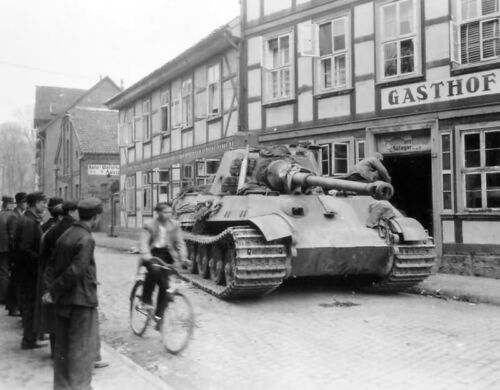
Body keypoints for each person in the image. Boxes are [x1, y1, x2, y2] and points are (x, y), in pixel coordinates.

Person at [43, 197, 102, 390]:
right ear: (96, 217)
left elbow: (50, 267)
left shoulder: (65, 235)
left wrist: (51, 290)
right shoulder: (86, 238)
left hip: (64, 302)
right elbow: (76, 270)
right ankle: (80, 387)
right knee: (82, 351)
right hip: (81, 302)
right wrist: (54, 291)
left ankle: (61, 387)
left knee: (63, 349)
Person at [138, 202, 187, 326]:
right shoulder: (149, 225)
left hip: (167, 254)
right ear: (158, 213)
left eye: (170, 212)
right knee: (154, 270)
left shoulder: (175, 225)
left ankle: (159, 317)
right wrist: (146, 256)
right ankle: (146, 300)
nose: (168, 215)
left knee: (165, 287)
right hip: (152, 253)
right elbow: (143, 242)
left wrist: (183, 257)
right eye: (165, 212)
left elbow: (180, 242)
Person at [17, 191, 47, 349]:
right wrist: (39, 260)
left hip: (27, 272)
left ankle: (30, 339)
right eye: (43, 202)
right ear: (35, 204)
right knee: (29, 305)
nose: (44, 205)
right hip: (30, 273)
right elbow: (25, 248)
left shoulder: (29, 219)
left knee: (29, 305)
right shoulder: (29, 222)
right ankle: (29, 340)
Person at [5, 192, 27, 316]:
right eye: (24, 202)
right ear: (18, 203)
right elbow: (12, 237)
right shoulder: (14, 217)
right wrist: (16, 253)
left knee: (16, 280)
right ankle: (13, 307)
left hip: (17, 253)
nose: (26, 204)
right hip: (15, 254)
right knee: (15, 281)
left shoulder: (19, 215)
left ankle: (14, 306)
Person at [0, 195, 15, 304]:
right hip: (11, 249)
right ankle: (7, 297)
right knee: (10, 272)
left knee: (3, 272)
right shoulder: (14, 216)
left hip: (1, 248)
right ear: (10, 204)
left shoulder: (0, 215)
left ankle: (3, 296)